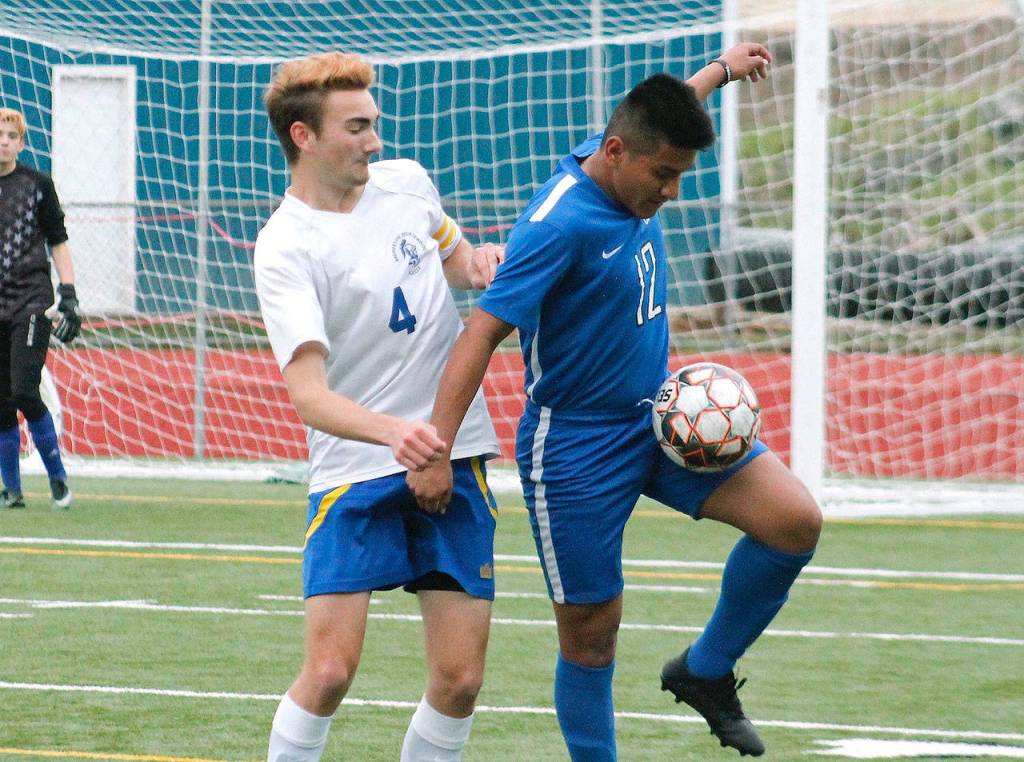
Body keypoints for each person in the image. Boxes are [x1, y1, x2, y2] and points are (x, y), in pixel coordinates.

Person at [408, 44, 823, 759]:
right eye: (663, 176)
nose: (671, 192)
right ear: (615, 153)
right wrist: (435, 451)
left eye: (680, 175)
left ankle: (705, 672)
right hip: (575, 447)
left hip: (660, 420)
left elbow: (666, 109)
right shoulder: (557, 226)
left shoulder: (628, 156)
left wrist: (720, 70)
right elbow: (479, 336)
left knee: (793, 521)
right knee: (593, 634)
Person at [254, 52, 505, 762]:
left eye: (374, 123)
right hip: (357, 466)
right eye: (357, 127)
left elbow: (451, 258)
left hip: (453, 454)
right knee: (330, 673)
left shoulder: (407, 184)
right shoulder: (285, 248)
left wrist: (478, 263)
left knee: (460, 681)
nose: (374, 141)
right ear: (304, 137)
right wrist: (402, 435)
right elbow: (309, 395)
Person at [0, 107, 79, 512]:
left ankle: (57, 478)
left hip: (31, 301)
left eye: (11, 135)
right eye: (0, 134)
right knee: (1, 403)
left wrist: (68, 294)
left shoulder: (38, 185)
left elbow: (58, 240)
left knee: (25, 391)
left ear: (21, 143)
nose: (4, 141)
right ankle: (12, 490)